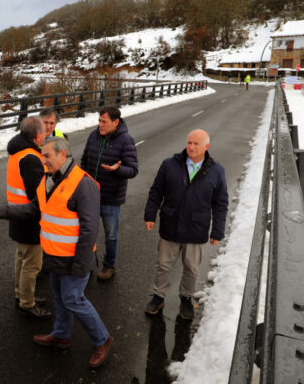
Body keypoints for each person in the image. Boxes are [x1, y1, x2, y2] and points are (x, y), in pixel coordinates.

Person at [0, 137, 113, 368]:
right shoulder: (48, 179)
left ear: (63, 154)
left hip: (74, 259)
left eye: (47, 156)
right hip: (53, 256)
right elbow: (35, 208)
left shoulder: (84, 184)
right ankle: (61, 335)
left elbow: (90, 229)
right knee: (61, 300)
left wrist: (81, 265)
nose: (43, 161)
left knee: (74, 300)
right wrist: (2, 211)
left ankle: (102, 339)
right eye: (42, 156)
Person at [144, 129, 228, 320]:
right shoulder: (169, 165)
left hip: (195, 229)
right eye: (189, 142)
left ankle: (186, 299)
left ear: (206, 147)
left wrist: (217, 230)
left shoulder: (216, 171)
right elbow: (156, 191)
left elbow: (220, 203)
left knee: (191, 268)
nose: (190, 146)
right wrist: (150, 214)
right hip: (170, 225)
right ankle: (159, 296)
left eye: (196, 144)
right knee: (163, 265)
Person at [80, 106, 138, 280]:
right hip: (90, 196)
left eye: (104, 121)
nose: (100, 125)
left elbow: (133, 170)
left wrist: (117, 170)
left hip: (110, 198)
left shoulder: (126, 140)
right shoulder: (93, 136)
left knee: (110, 235)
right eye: (99, 121)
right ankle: (88, 263)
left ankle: (109, 265)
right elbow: (84, 160)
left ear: (116, 122)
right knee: (87, 232)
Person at [5, 116, 51, 319]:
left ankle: (21, 293)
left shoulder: (18, 151)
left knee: (21, 258)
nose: (46, 134)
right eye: (43, 131)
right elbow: (37, 194)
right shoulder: (31, 158)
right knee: (32, 263)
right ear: (37, 135)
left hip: (16, 212)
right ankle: (27, 303)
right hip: (29, 216)